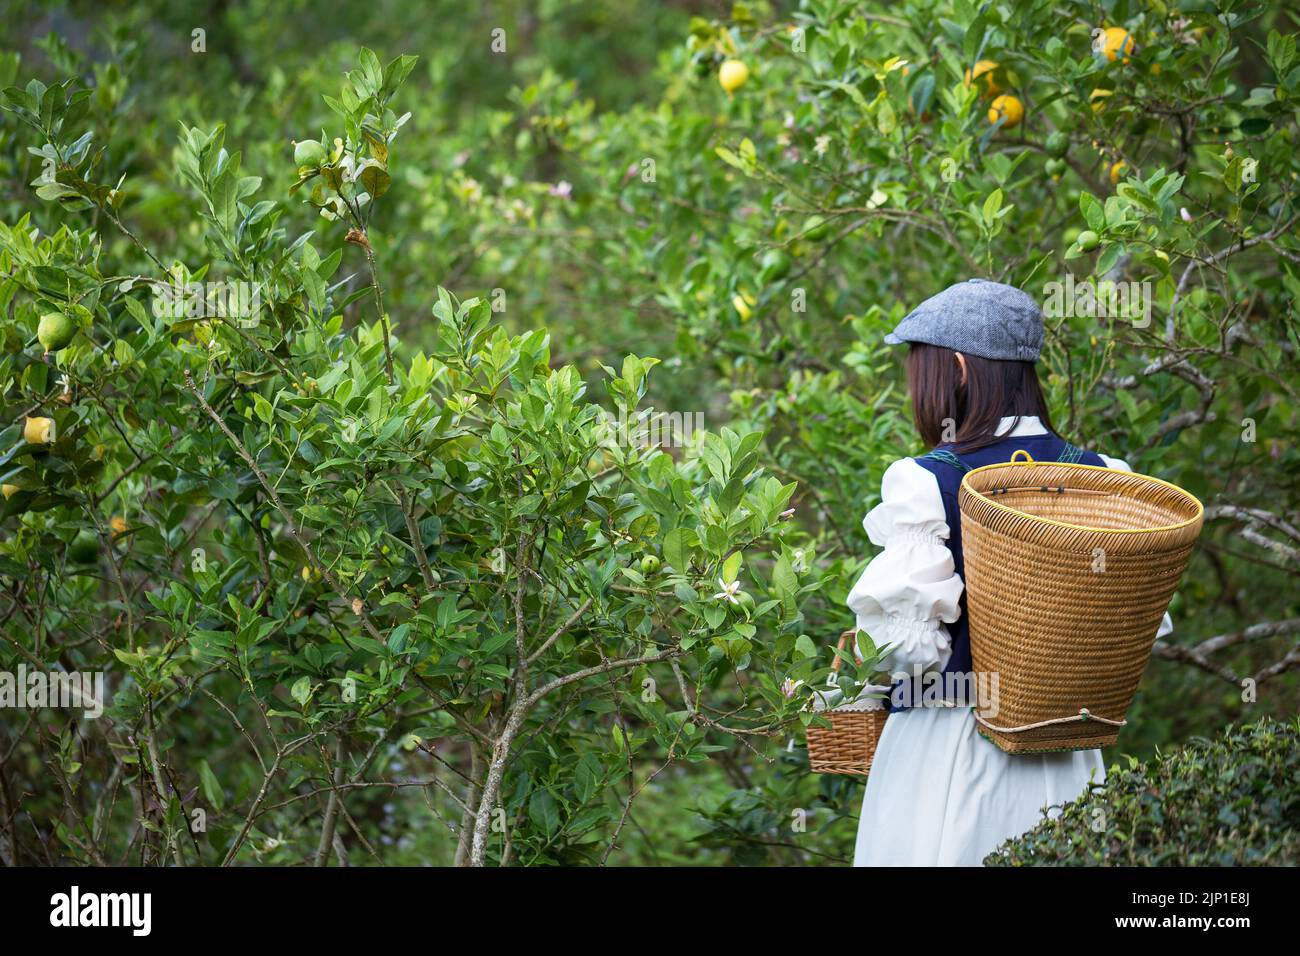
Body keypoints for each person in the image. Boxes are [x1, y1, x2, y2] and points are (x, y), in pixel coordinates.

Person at [848, 278, 1172, 866]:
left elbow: (904, 653)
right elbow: (1136, 629)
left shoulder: (926, 481)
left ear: (962, 370)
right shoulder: (1107, 476)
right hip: (1070, 762)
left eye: (922, 369)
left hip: (948, 757)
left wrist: (851, 676)